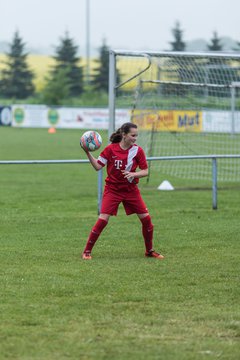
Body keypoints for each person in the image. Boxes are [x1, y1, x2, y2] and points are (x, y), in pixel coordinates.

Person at [80, 122, 164, 260]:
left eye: (136, 135)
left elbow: (145, 171)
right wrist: (87, 152)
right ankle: (87, 252)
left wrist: (133, 174)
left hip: (131, 190)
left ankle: (149, 251)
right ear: (124, 135)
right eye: (133, 135)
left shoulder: (138, 151)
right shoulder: (110, 149)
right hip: (113, 190)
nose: (135, 138)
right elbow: (97, 166)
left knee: (147, 220)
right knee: (102, 220)